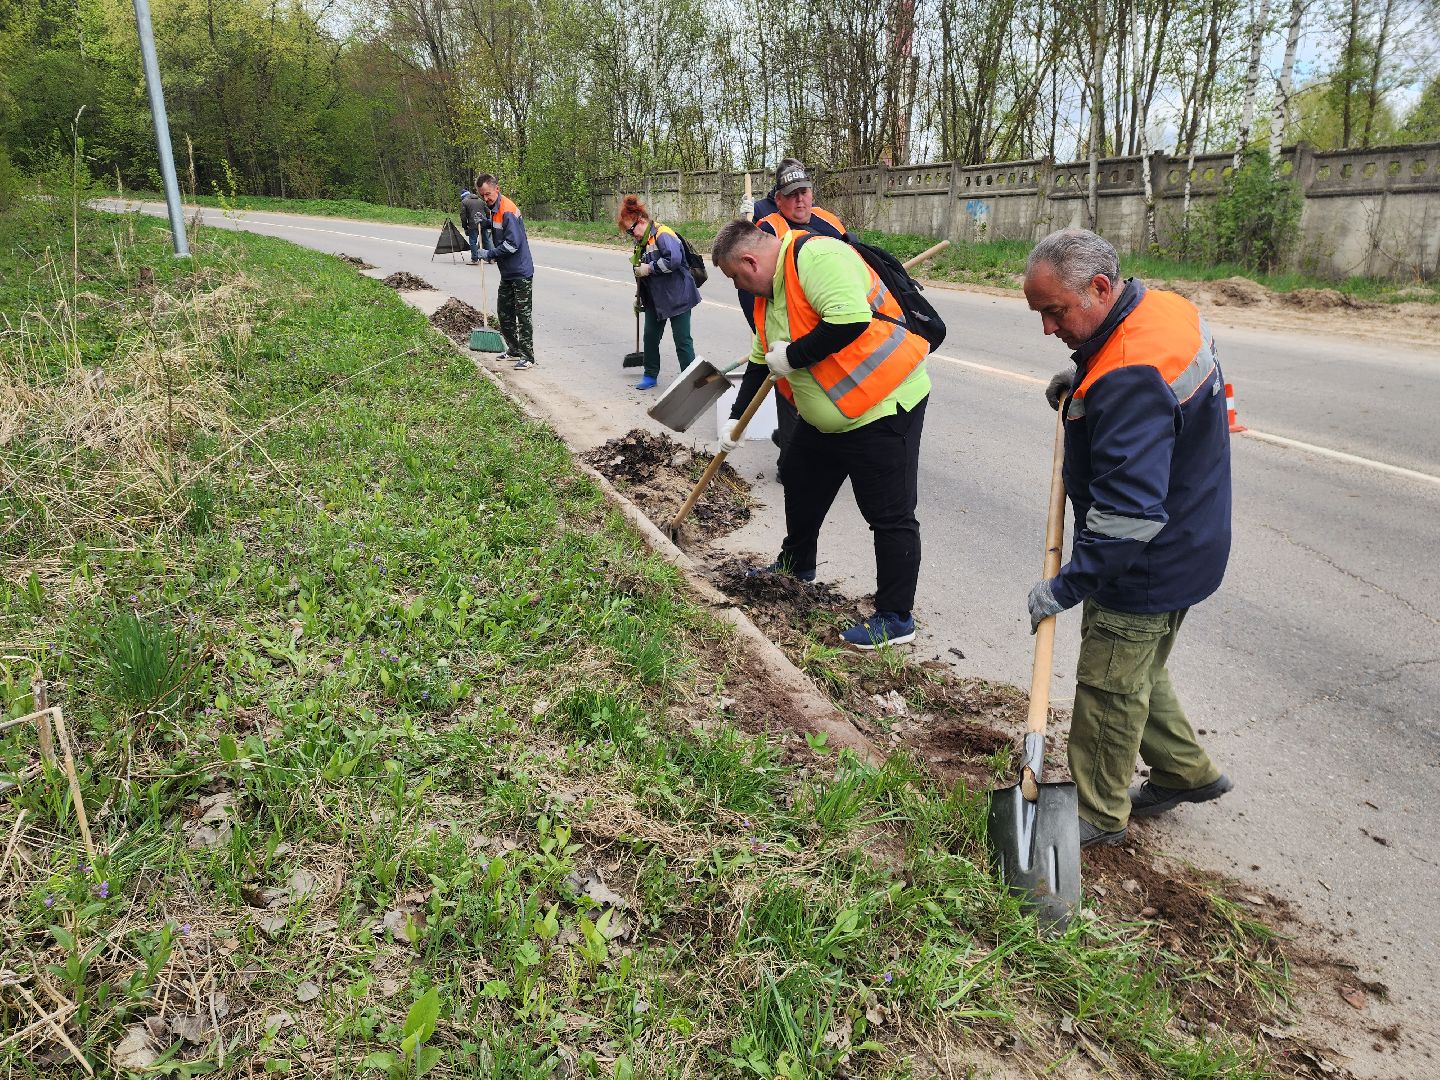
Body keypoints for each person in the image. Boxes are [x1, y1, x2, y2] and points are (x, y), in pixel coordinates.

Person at [1022, 227, 1234, 849]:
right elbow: (1147, 394)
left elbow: (1125, 518)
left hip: (1146, 559)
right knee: (1139, 667)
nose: (1047, 328)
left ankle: (1099, 812)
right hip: (1193, 534)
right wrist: (1083, 382)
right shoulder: (1163, 309)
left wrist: (1066, 586)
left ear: (1100, 287)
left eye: (1054, 312)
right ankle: (1185, 771)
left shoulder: (1127, 375)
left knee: (1108, 688)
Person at [712, 218, 930, 650]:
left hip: (881, 407)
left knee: (889, 515)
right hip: (827, 415)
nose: (739, 286)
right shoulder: (769, 295)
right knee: (800, 479)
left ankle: (896, 617)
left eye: (736, 277)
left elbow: (850, 322)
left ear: (750, 261)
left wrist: (791, 357)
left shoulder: (817, 257)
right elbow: (760, 359)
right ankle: (797, 565)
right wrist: (734, 424)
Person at [731, 159, 849, 477]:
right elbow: (746, 270)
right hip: (783, 329)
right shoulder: (769, 227)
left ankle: (798, 443)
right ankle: (789, 463)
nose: (800, 200)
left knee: (821, 393)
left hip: (825, 327)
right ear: (779, 198)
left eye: (805, 192)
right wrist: (764, 333)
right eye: (792, 194)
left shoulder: (829, 222)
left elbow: (859, 256)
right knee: (789, 390)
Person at [617, 195, 700, 391]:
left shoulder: (663, 234)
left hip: (678, 295)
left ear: (642, 220)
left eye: (631, 229)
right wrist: (640, 296)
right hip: (656, 299)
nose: (632, 234)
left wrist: (650, 268)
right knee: (650, 337)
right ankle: (650, 374)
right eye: (629, 232)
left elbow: (674, 260)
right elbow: (641, 270)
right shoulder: (641, 241)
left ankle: (691, 380)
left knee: (682, 340)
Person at [475, 173, 536, 370]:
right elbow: (496, 228)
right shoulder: (494, 209)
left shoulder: (507, 210)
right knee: (504, 312)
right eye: (482, 195)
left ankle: (528, 357)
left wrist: (490, 254)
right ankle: (514, 349)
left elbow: (512, 245)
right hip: (508, 272)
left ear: (497, 189)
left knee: (523, 315)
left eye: (488, 194)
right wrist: (483, 223)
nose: (486, 199)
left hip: (520, 271)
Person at [459, 187, 485, 265]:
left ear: (463, 196)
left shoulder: (464, 202)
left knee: (473, 241)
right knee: (486, 240)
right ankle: (491, 258)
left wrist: (465, 227)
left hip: (473, 224)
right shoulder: (480, 200)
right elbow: (487, 211)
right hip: (484, 223)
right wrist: (488, 222)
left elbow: (463, 216)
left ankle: (474, 259)